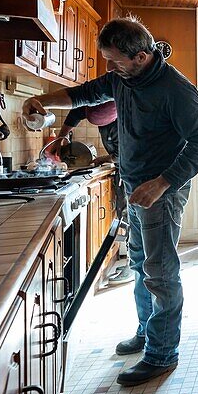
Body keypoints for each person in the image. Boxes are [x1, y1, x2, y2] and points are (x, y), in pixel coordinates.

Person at [22, 17, 198, 387]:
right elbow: (86, 94)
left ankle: (162, 353)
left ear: (140, 56)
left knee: (160, 272)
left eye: (114, 61)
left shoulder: (176, 89)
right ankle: (146, 332)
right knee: (141, 264)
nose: (109, 68)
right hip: (134, 185)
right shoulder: (124, 79)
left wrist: (162, 183)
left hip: (161, 191)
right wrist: (43, 100)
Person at [55, 101, 132, 286]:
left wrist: (103, 159)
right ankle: (134, 263)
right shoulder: (95, 104)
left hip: (135, 172)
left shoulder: (123, 123)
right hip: (124, 170)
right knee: (127, 215)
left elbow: (124, 154)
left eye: (103, 123)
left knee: (133, 217)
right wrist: (60, 139)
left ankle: (134, 266)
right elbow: (74, 114)